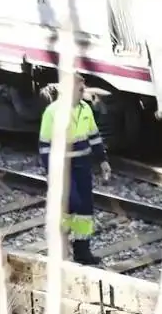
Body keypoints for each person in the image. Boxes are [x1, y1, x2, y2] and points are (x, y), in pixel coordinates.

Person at [38, 74, 110, 266]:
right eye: (80, 88)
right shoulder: (52, 112)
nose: (83, 91)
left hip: (82, 166)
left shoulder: (85, 109)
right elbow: (45, 146)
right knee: (72, 203)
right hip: (63, 167)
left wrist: (103, 161)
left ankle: (82, 250)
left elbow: (94, 137)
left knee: (85, 208)